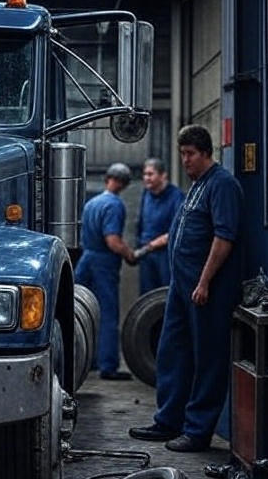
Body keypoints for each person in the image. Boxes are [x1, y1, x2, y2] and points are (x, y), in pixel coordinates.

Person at [129, 125, 242, 452]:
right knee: (171, 352)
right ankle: (168, 421)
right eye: (182, 154)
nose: (185, 160)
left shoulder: (222, 185)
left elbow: (224, 238)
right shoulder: (196, 187)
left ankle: (197, 430)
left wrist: (205, 281)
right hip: (181, 288)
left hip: (206, 291)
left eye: (190, 154)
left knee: (207, 359)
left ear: (206, 153)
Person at [75, 163, 136, 381]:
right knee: (108, 314)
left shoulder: (92, 203)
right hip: (103, 262)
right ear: (124, 183)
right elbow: (112, 241)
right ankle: (108, 366)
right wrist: (129, 254)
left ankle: (86, 361)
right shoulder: (115, 205)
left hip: (86, 260)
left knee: (84, 312)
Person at [135, 158, 185, 295]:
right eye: (145, 174)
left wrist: (152, 245)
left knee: (165, 296)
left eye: (150, 174)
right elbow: (140, 223)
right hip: (147, 257)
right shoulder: (146, 195)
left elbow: (178, 230)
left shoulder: (176, 196)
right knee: (147, 298)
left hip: (166, 256)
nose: (146, 178)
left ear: (163, 175)